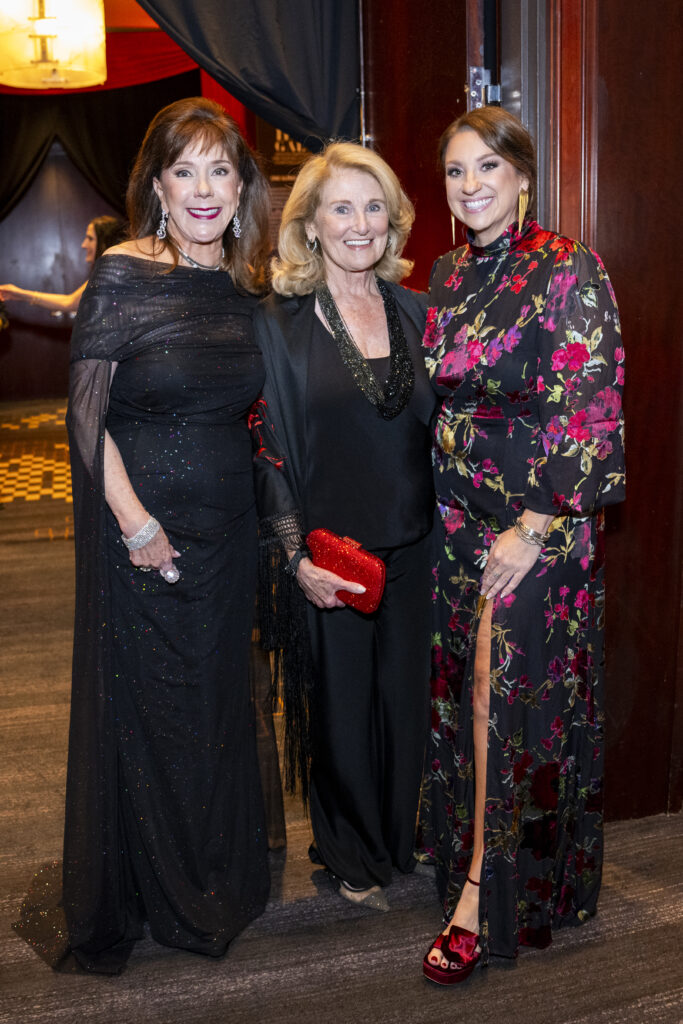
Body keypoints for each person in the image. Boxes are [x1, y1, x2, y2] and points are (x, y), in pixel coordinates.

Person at [15, 97, 273, 973]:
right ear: (157, 186)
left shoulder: (246, 286)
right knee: (153, 703)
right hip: (146, 533)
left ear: (240, 188)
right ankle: (153, 888)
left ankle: (210, 871)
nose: (203, 189)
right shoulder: (124, 272)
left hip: (227, 530)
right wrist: (136, 527)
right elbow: (84, 418)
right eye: (183, 170)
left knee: (213, 701)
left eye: (219, 170)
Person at [419, 107, 625, 984]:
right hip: (458, 515)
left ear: (522, 177)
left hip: (538, 521)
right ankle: (521, 871)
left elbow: (589, 404)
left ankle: (481, 894)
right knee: (467, 691)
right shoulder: (446, 270)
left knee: (501, 692)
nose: (470, 186)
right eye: (456, 172)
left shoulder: (568, 267)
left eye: (487, 169)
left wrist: (533, 526)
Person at [253, 142, 435, 911]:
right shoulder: (280, 323)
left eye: (372, 206)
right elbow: (264, 448)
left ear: (390, 221)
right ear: (311, 224)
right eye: (340, 207)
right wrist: (294, 553)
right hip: (333, 551)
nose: (359, 223)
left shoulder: (419, 310)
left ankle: (398, 842)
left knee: (405, 701)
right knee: (336, 708)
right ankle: (347, 850)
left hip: (420, 542)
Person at [0, 215, 125, 314]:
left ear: (105, 242)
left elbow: (69, 303)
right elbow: (69, 302)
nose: (84, 244)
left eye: (90, 239)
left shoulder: (114, 274)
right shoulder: (107, 273)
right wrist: (19, 294)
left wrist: (20, 294)